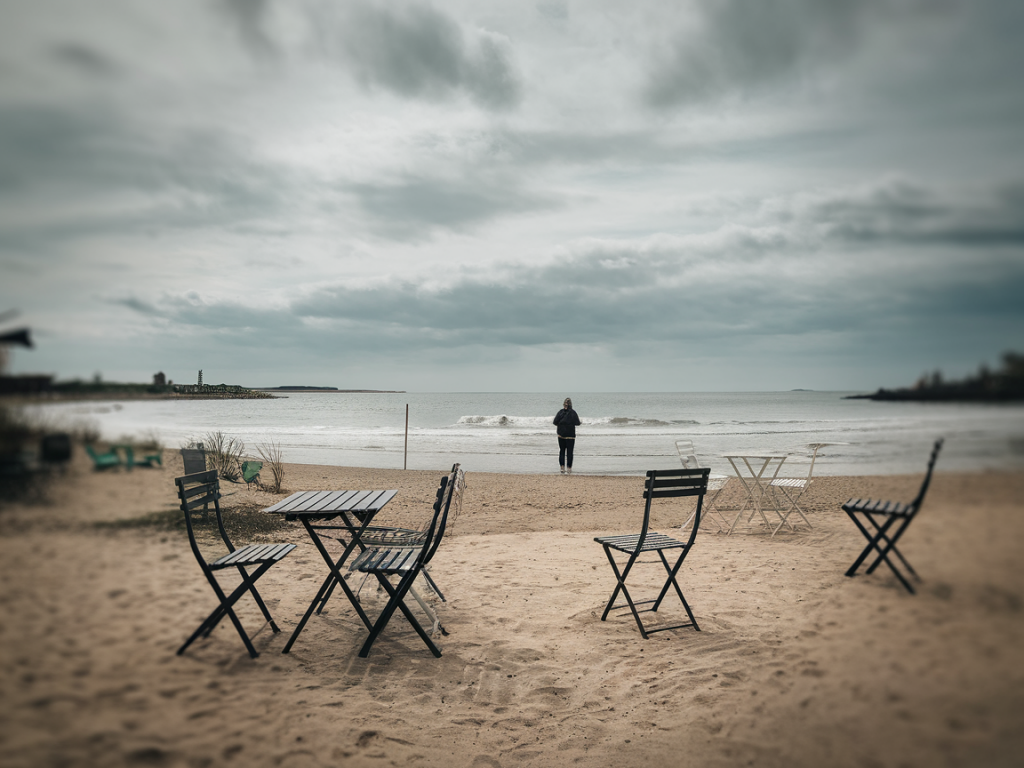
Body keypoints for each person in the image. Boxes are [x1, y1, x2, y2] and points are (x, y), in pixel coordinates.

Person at [553, 397, 581, 474]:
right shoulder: (573, 413)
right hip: (570, 435)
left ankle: (562, 467)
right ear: (571, 405)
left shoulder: (560, 412)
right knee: (570, 452)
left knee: (562, 451)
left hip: (561, 434)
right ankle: (569, 468)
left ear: (564, 404)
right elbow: (578, 423)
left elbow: (555, 422)